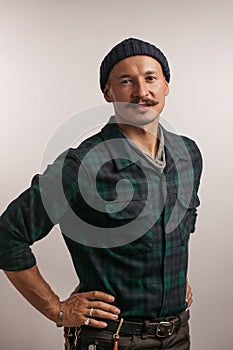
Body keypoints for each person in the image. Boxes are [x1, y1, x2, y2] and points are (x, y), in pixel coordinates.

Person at [0, 38, 202, 349]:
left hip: (177, 335)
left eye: (150, 78)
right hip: (111, 338)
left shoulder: (188, 153)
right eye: (126, 81)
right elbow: (7, 234)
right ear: (108, 92)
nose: (141, 91)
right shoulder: (80, 165)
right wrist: (57, 308)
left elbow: (183, 221)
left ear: (166, 85)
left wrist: (170, 278)